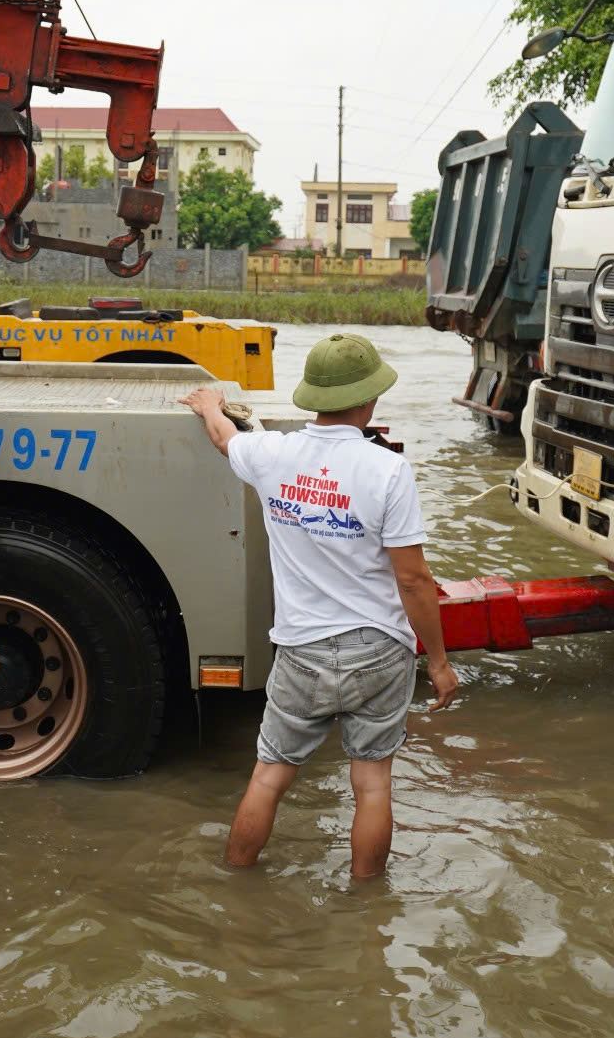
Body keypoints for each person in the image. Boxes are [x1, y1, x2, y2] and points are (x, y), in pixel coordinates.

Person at [180, 334, 461, 879]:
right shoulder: (388, 471)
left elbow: (224, 439)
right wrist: (439, 661)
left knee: (268, 777)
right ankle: (367, 903)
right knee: (372, 784)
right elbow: (414, 580)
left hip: (301, 650)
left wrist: (210, 405)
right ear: (369, 400)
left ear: (313, 395)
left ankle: (235, 882)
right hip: (379, 650)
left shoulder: (272, 454)